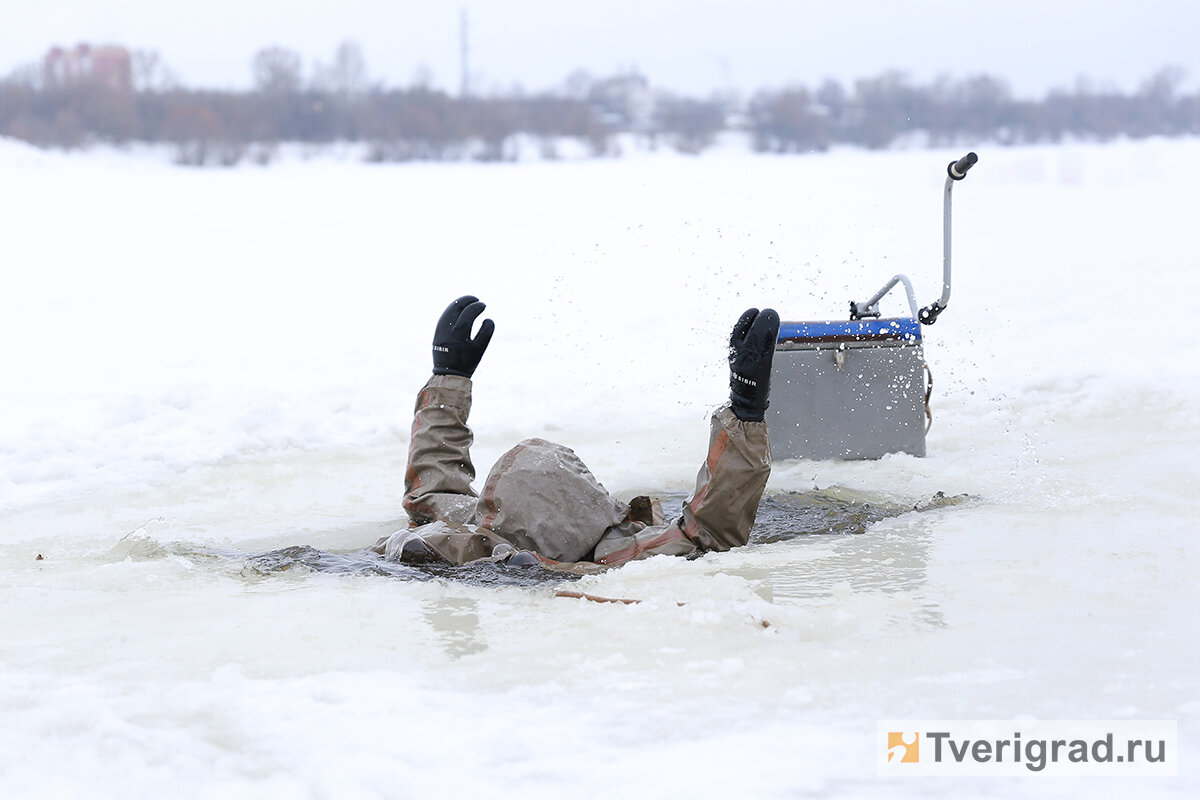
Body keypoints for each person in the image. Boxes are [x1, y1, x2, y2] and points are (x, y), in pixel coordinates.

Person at [372, 295, 780, 569]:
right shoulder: (619, 556)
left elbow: (433, 492)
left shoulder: (473, 538)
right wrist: (745, 411)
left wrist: (448, 376)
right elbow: (707, 535)